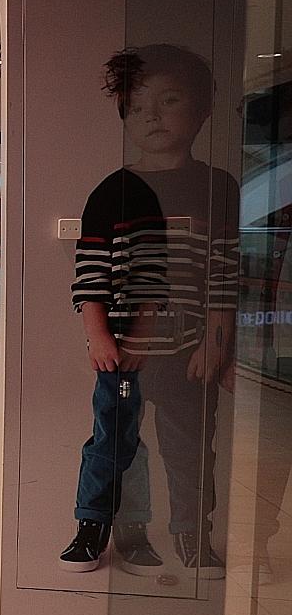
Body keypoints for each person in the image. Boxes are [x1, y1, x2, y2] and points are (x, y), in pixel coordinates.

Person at [61, 44, 238, 578]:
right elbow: (91, 274)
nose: (152, 116)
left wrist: (215, 344)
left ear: (202, 109)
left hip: (188, 354)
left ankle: (192, 532)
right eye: (138, 107)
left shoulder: (217, 188)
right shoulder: (112, 191)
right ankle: (101, 526)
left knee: (191, 446)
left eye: (169, 100)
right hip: (122, 354)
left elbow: (224, 276)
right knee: (114, 444)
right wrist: (98, 337)